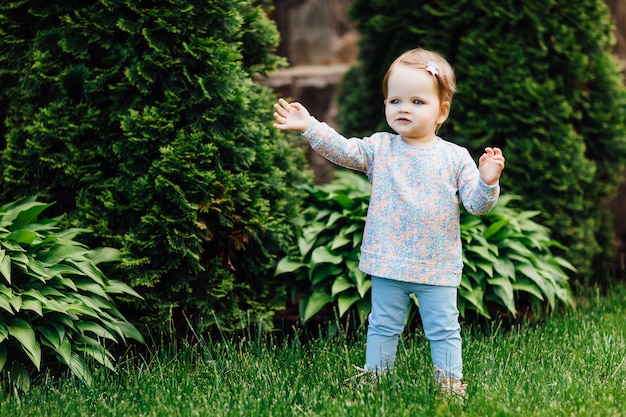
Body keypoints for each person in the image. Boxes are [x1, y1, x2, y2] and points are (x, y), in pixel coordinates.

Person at [272, 47, 505, 397]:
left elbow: (475, 205)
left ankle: (450, 382)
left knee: (443, 328)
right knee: (382, 324)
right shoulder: (380, 148)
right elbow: (343, 150)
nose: (404, 108)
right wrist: (310, 127)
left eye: (417, 101)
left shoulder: (455, 157)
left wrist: (488, 182)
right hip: (388, 260)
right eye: (394, 101)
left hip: (435, 265)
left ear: (442, 111)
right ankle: (375, 375)